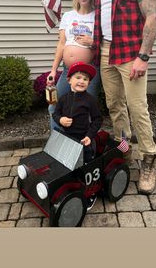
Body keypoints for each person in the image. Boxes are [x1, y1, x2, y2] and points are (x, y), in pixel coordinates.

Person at [93, 0, 156, 194]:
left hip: (132, 54)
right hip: (107, 53)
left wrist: (143, 56)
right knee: (115, 107)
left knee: (136, 107)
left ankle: (149, 159)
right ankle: (124, 151)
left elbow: (152, 17)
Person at [47, 0, 100, 129]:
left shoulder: (97, 16)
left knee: (86, 109)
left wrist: (92, 42)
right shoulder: (68, 16)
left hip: (88, 72)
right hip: (67, 72)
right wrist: (53, 70)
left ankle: (84, 144)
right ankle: (57, 143)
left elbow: (105, 43)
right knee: (53, 105)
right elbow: (62, 44)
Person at [52, 61, 103, 210]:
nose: (81, 81)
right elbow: (56, 114)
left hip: (83, 140)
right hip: (67, 138)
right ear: (69, 80)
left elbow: (97, 119)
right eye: (78, 77)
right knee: (68, 164)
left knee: (85, 167)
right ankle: (70, 185)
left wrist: (90, 135)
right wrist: (60, 120)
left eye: (85, 79)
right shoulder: (63, 99)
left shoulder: (90, 100)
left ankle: (90, 192)